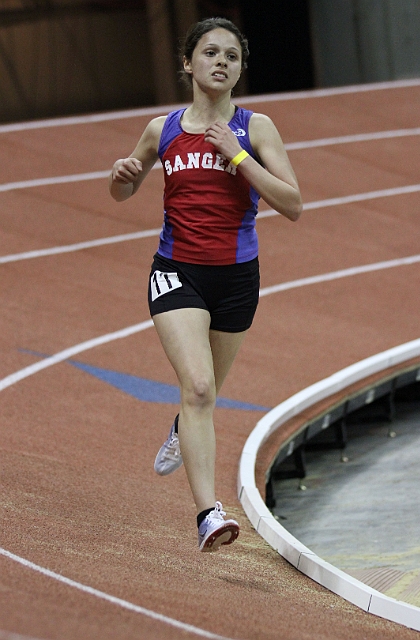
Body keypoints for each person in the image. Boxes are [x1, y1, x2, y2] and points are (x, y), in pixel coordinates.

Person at [109, 17, 302, 552]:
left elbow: (293, 205)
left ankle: (182, 427)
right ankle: (207, 514)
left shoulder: (256, 128)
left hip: (238, 278)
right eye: (211, 53)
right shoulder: (162, 128)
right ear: (188, 63)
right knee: (197, 387)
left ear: (240, 69)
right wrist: (120, 177)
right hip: (177, 271)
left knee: (207, 392)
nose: (222, 62)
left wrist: (238, 157)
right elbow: (122, 192)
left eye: (232, 56)